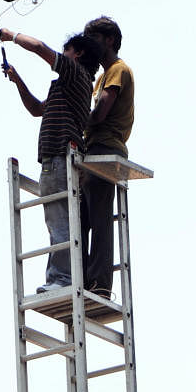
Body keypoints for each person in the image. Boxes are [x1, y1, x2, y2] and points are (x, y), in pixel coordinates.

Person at [0, 27, 101, 291]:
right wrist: (17, 79)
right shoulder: (69, 86)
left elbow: (39, 47)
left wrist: (12, 36)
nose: (63, 54)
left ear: (77, 54)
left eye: (67, 50)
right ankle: (63, 277)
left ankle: (62, 279)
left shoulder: (75, 73)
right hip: (57, 158)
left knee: (60, 222)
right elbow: (36, 109)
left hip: (58, 156)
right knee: (59, 221)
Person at [81, 17, 135, 297]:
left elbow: (100, 113)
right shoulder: (101, 76)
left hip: (105, 147)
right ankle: (83, 280)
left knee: (99, 218)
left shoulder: (117, 70)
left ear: (109, 40)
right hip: (94, 148)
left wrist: (77, 120)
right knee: (83, 219)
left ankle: (100, 284)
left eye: (95, 40)